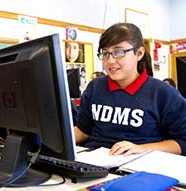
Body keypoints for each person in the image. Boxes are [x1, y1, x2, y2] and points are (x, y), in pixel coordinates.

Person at [75, 22, 186, 156]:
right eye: (105, 53)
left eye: (118, 52)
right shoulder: (95, 87)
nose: (109, 61)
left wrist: (142, 148)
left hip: (140, 165)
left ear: (139, 53)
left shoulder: (163, 93)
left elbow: (182, 142)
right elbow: (83, 130)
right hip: (93, 161)